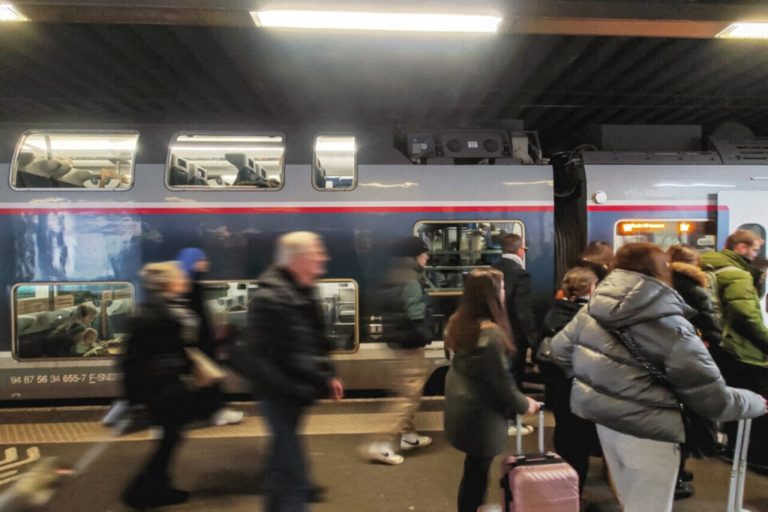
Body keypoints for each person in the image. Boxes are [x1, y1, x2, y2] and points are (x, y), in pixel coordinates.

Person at [551, 242, 767, 512]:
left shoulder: (593, 307)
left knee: (631, 500)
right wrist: (753, 402)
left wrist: (605, 383)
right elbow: (710, 397)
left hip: (606, 423)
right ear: (662, 270)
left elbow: (558, 350)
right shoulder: (669, 323)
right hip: (650, 429)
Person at [246, 231, 344, 512]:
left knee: (281, 466)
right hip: (280, 396)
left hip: (295, 393)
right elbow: (264, 359)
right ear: (298, 259)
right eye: (317, 252)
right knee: (295, 476)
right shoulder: (271, 298)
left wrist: (329, 374)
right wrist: (297, 386)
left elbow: (315, 340)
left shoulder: (303, 290)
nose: (323, 258)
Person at [120, 262, 220, 509]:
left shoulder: (160, 308)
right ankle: (141, 491)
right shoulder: (157, 312)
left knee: (171, 437)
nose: (183, 279)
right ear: (167, 282)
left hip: (164, 388)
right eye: (179, 276)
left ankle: (158, 487)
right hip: (162, 389)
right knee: (170, 438)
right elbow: (141, 358)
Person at [444, 268, 540, 512]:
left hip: (462, 407)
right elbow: (500, 383)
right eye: (502, 287)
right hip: (479, 416)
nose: (505, 291)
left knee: (474, 468)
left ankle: (473, 506)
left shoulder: (458, 322)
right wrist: (524, 404)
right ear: (492, 295)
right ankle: (473, 507)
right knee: (478, 471)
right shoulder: (491, 335)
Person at [701, 229, 768, 473]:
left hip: (716, 345)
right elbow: (746, 316)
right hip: (740, 348)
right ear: (740, 248)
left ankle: (731, 447)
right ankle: (758, 455)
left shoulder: (708, 267)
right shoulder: (736, 274)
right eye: (755, 250)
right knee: (760, 402)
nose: (756, 255)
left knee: (733, 397)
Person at [362, 236, 433, 465]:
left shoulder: (394, 274)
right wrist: (425, 334)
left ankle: (409, 437)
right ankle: (381, 444)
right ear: (413, 257)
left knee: (406, 390)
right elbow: (415, 316)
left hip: (397, 343)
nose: (427, 257)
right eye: (424, 254)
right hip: (410, 344)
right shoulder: (412, 279)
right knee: (408, 396)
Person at [666, 244, 722, 497]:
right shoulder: (696, 288)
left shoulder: (662, 284)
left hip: (665, 359)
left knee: (671, 417)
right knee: (688, 417)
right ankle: (677, 474)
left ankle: (675, 471)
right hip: (690, 360)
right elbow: (710, 327)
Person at [537, 266, 598, 497]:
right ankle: (574, 492)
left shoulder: (555, 311)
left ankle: (564, 483)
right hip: (578, 385)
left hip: (557, 386)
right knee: (579, 440)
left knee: (564, 433)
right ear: (592, 288)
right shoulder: (587, 317)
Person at [176, 247, 244, 427]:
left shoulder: (191, 283)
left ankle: (212, 411)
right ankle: (213, 412)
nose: (205, 263)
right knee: (206, 379)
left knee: (207, 379)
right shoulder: (187, 285)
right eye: (201, 260)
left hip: (202, 342)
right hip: (197, 343)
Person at [492, 233, 535, 435]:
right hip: (513, 335)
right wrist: (533, 339)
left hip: (494, 333)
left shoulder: (492, 270)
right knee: (513, 377)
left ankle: (498, 419)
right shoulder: (521, 274)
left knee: (499, 375)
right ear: (520, 250)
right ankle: (511, 422)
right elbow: (523, 311)